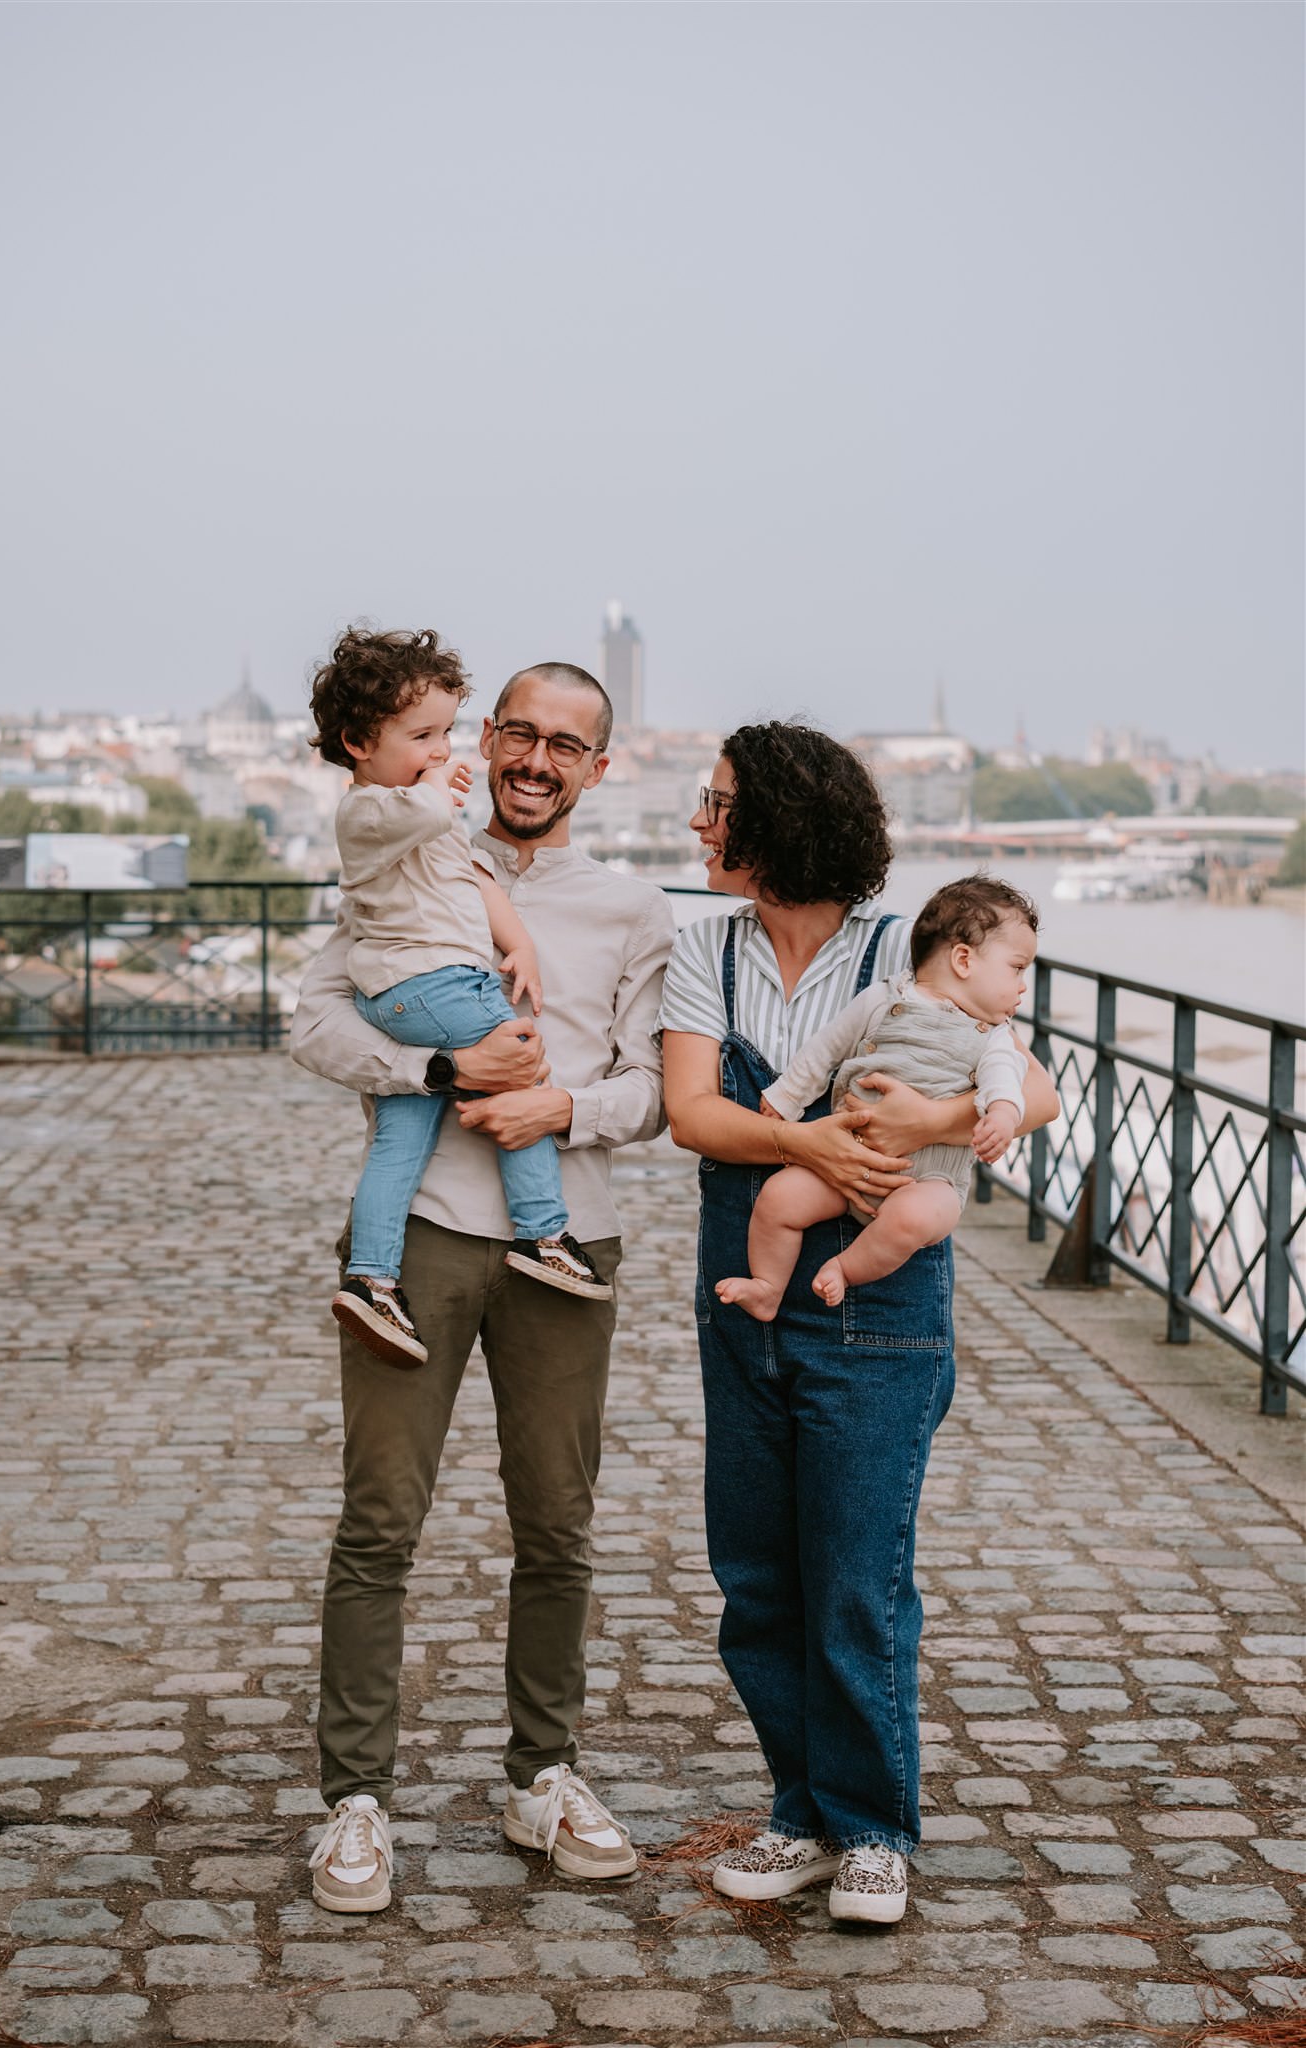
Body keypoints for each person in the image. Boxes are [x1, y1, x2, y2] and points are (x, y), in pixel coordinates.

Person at [290, 658, 674, 1913]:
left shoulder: (632, 907)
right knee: (378, 1523)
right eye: (520, 732)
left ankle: (542, 1775)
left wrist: (560, 1106)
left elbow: (653, 1090)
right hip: (422, 1237)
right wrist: (436, 1070)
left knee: (557, 1525)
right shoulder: (413, 855)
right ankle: (355, 1799)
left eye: (566, 744)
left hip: (570, 1245)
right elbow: (312, 1023)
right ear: (490, 738)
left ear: (596, 768)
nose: (536, 759)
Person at [660, 723, 1057, 1925]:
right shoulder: (705, 948)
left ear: (783, 818)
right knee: (756, 1573)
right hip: (750, 1271)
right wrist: (815, 1143)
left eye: (719, 803)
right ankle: (804, 1810)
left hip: (881, 1296)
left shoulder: (905, 948)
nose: (700, 823)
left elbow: (1033, 1086)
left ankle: (875, 1827)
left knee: (855, 1574)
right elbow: (692, 1113)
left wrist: (928, 1117)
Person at [310, 627, 611, 1368]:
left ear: (597, 767)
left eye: (444, 734)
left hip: (412, 995)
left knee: (397, 1141)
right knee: (519, 1063)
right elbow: (429, 816)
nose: (440, 752)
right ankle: (544, 1231)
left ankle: (371, 1278)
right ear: (358, 743)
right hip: (434, 982)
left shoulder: (627, 909)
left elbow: (474, 880)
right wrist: (439, 783)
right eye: (424, 736)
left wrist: (520, 945)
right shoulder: (370, 811)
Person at [716, 875, 1037, 1320]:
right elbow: (826, 1048)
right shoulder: (883, 999)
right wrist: (788, 1096)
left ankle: (846, 1269)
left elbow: (1006, 1077)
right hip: (846, 1161)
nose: (1023, 986)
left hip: (928, 1181)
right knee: (779, 1197)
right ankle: (767, 1286)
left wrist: (1001, 1113)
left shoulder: (993, 1034)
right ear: (963, 960)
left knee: (912, 1219)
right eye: (1017, 968)